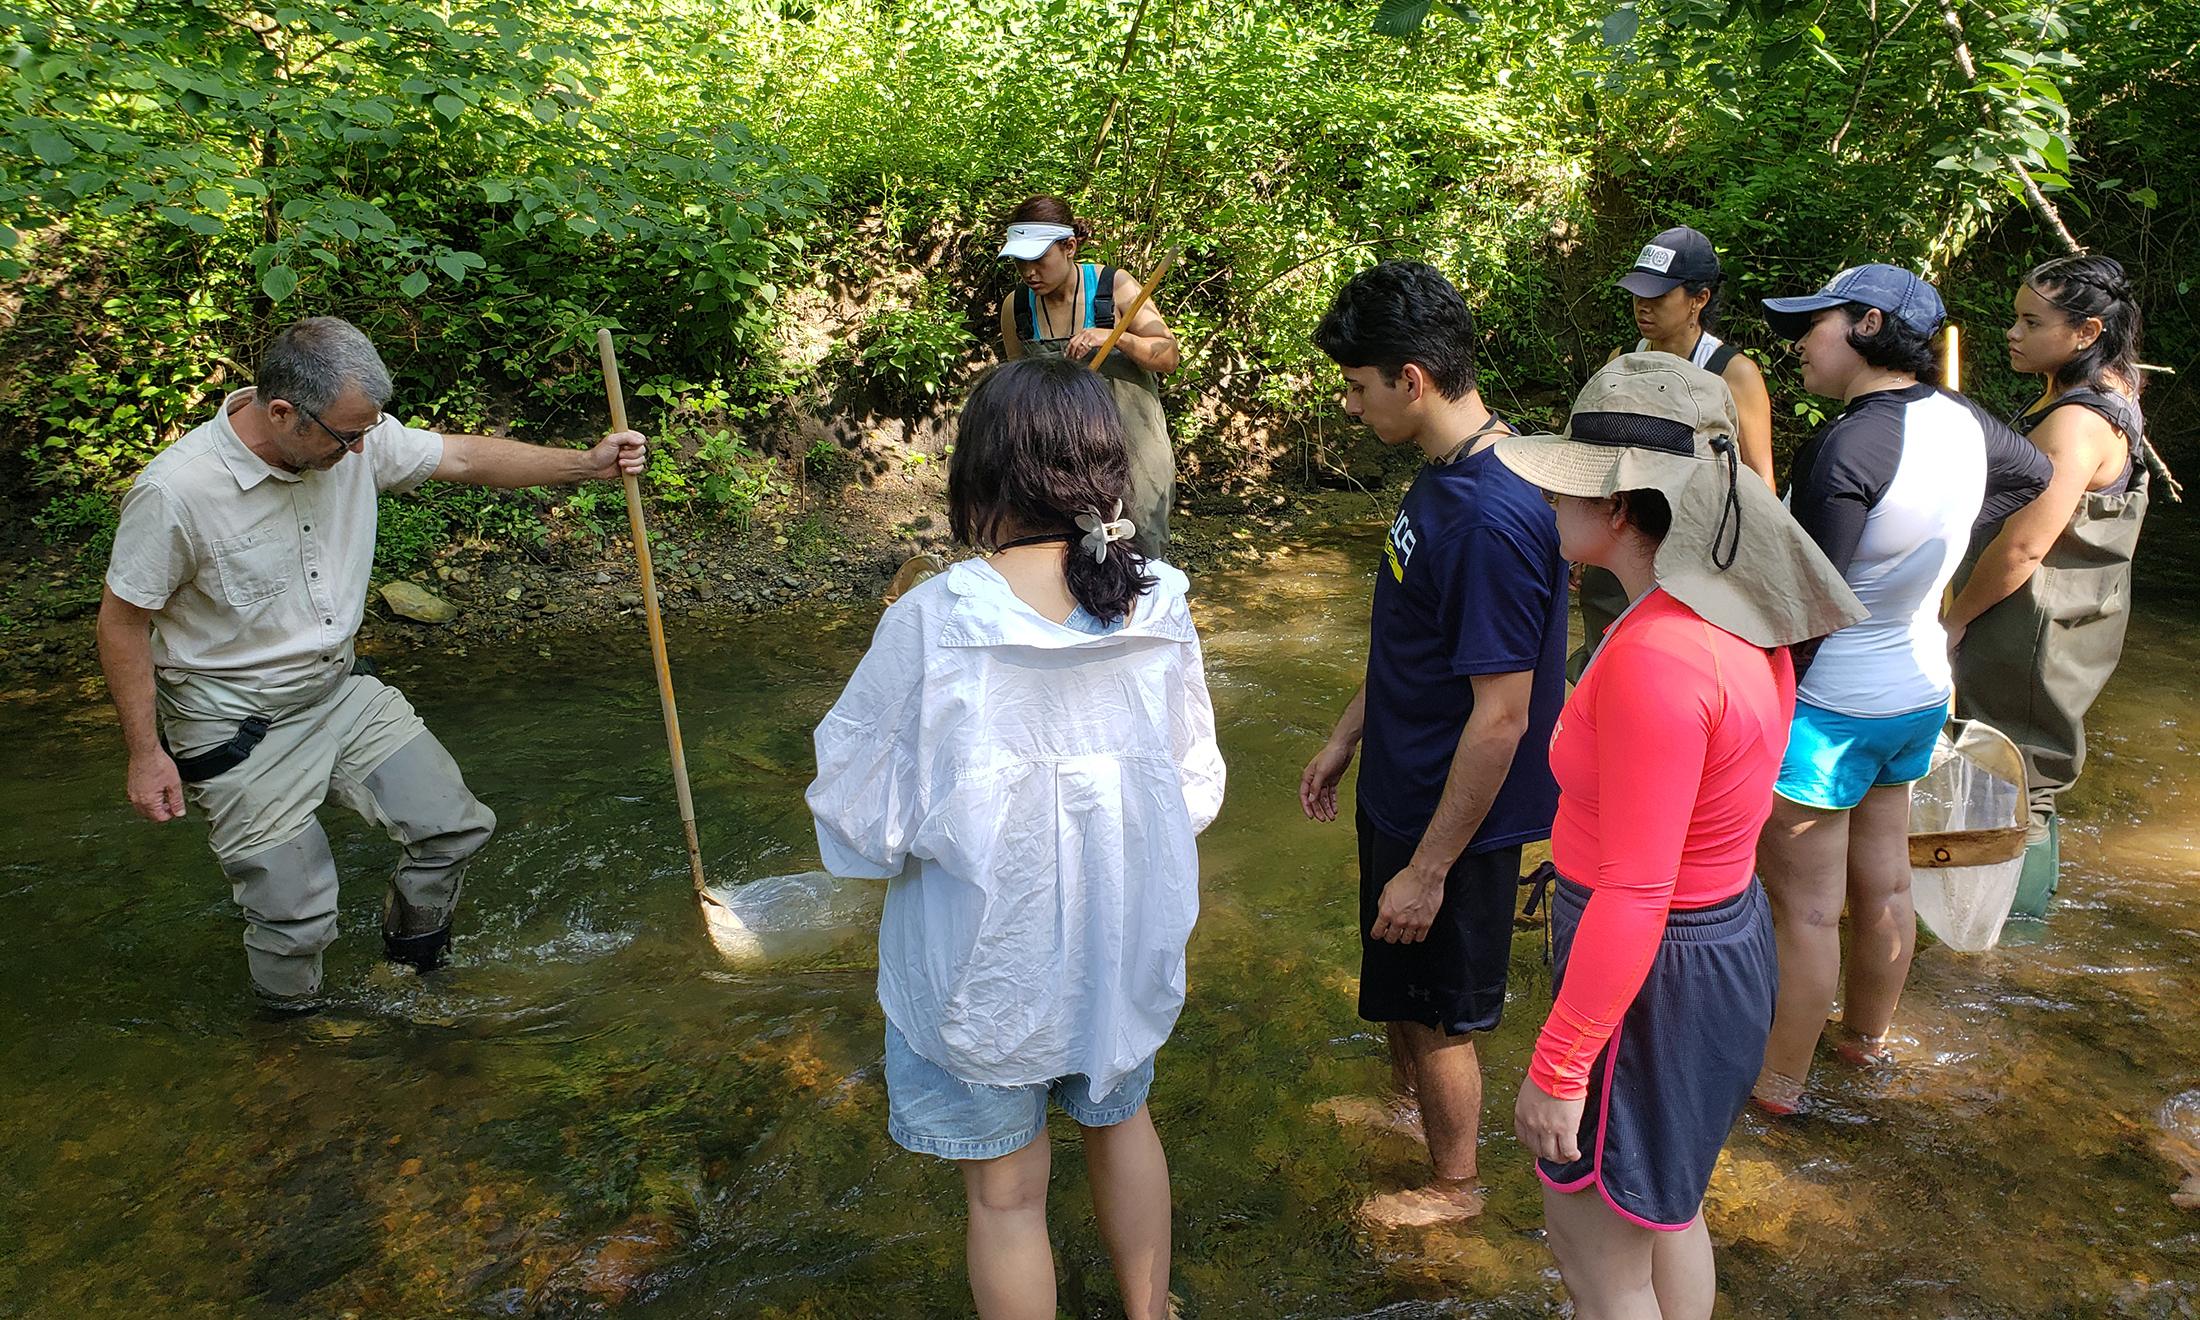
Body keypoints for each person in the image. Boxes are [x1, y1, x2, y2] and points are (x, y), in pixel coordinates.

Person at [806, 356, 1223, 1320]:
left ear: (982, 472)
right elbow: (1192, 784)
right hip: (1121, 932)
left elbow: (858, 809)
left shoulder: (936, 616)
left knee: (1006, 1193)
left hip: (980, 955)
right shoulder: (1157, 600)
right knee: (1123, 1122)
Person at [96, 316, 647, 1007]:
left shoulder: (347, 435)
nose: (363, 451)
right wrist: (145, 753)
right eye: (348, 437)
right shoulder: (176, 492)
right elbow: (123, 623)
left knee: (453, 828)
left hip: (339, 695)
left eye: (368, 433)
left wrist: (586, 463)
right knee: (296, 918)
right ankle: (296, 1044)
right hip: (238, 729)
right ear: (282, 413)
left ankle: (411, 977)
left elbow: (465, 460)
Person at [1502, 354, 1864, 1319]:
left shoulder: (1659, 657)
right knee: (1668, 1213)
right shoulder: (1736, 612)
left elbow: (1635, 891)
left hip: (1653, 972)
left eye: (1566, 481)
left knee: (1600, 1269)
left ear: (1619, 505)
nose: (1545, 498)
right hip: (1717, 946)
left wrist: (1560, 1065)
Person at [1298, 261, 1568, 1226]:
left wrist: (1431, 867)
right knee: (1401, 982)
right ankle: (1410, 1109)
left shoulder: (1495, 517)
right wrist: (1343, 739)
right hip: (1402, 782)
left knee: (1445, 1008)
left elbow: (1504, 715)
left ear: (1412, 378)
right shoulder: (1442, 475)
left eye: (1359, 385)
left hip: (1456, 818)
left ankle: (1455, 1185)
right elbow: (1411, 636)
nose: (1349, 402)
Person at [1751, 266, 2051, 1111]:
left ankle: (1778, 1085)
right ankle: (1866, 1044)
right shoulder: (1963, 419)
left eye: (1817, 320)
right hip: (1917, 683)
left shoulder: (1847, 445)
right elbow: (2032, 477)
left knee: (1805, 911)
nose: (1799, 339)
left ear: (1870, 325)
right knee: (1883, 883)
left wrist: (1758, 707)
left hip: (1830, 704)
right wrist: (1940, 535)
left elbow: (1805, 602)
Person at [1945, 255, 2152, 908]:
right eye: (2014, 318)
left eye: (2031, 322)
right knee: (2017, 775)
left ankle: (2011, 928)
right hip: (2062, 622)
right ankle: (2013, 927)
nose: (2013, 332)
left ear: (2087, 332)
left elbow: (2025, 547)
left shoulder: (2078, 422)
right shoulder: (2103, 391)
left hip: (2034, 627)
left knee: (2014, 775)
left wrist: (1953, 620)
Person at [1573, 227, 1778, 677]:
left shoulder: (1734, 373)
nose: (1643, 306)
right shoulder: (1621, 360)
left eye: (1659, 295)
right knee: (1604, 667)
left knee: (1675, 671)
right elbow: (1597, 459)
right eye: (1636, 295)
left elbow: (1759, 478)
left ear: (1699, 299)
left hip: (1696, 560)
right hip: (1619, 547)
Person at [996, 194, 1181, 558]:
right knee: (1065, 553)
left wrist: (1117, 338)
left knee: (1139, 548)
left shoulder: (1116, 287)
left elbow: (1168, 356)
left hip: (1133, 451)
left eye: (1037, 260)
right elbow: (1016, 390)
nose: (1029, 273)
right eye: (1020, 262)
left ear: (1069, 246)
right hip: (1061, 456)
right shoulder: (1015, 307)